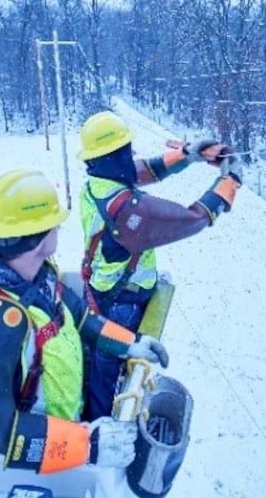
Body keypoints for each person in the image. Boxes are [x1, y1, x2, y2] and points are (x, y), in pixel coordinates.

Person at [0, 169, 170, 474]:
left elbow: (81, 318)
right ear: (38, 238)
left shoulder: (39, 277)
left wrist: (133, 345)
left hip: (59, 447)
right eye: (55, 225)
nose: (59, 230)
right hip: (12, 471)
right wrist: (87, 445)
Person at [77, 110, 242, 418]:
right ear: (113, 156)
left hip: (106, 293)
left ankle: (96, 415)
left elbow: (143, 170)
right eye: (126, 150)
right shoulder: (124, 209)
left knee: (104, 369)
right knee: (108, 375)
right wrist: (229, 183)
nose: (132, 154)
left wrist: (187, 154)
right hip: (120, 301)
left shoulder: (99, 182)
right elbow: (193, 218)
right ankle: (98, 428)